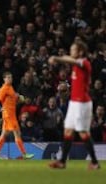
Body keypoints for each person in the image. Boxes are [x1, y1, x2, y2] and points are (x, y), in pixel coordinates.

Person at [48, 41, 100, 170]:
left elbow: (73, 61)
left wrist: (56, 58)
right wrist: (59, 57)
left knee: (83, 132)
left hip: (82, 103)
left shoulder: (84, 63)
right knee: (68, 130)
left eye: (73, 50)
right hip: (74, 102)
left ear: (81, 52)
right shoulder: (76, 63)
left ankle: (94, 162)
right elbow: (69, 58)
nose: (71, 52)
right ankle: (62, 162)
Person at [0, 72, 34, 160]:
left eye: (11, 77)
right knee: (17, 133)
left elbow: (11, 101)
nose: (10, 79)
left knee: (4, 134)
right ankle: (24, 154)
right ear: (4, 79)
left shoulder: (10, 88)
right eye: (8, 78)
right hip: (8, 114)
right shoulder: (4, 89)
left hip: (10, 114)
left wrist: (18, 98)